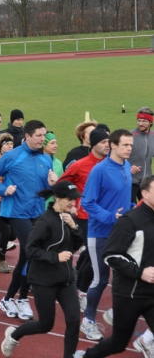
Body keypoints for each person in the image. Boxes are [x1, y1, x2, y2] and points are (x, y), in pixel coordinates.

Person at [73, 175, 154, 358]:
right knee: (118, 344)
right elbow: (110, 255)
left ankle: (144, 342)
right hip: (130, 293)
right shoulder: (130, 221)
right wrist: (140, 273)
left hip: (152, 292)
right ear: (145, 194)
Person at [1, 181, 84, 357]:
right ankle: (14, 335)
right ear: (57, 199)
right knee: (46, 324)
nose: (73, 203)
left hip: (66, 279)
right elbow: (30, 249)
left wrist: (74, 227)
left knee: (74, 319)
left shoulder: (68, 218)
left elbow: (77, 244)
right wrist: (56, 257)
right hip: (44, 280)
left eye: (75, 199)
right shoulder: (44, 221)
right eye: (69, 199)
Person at [0, 120, 58, 321]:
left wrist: (53, 185)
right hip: (17, 211)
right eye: (39, 135)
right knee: (32, 252)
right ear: (27, 136)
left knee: (26, 256)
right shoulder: (12, 156)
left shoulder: (46, 159)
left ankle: (10, 298)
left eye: (44, 135)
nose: (42, 139)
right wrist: (3, 190)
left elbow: (44, 191)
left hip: (37, 211)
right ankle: (23, 298)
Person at [79, 129, 133, 341]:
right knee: (100, 280)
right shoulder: (99, 171)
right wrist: (110, 217)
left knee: (129, 275)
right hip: (100, 234)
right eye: (125, 145)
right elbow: (87, 202)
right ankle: (88, 321)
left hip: (123, 233)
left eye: (131, 145)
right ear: (113, 145)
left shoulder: (126, 166)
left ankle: (113, 313)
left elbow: (122, 198)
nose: (129, 149)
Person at [59, 128, 110, 311]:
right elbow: (62, 183)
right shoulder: (80, 165)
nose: (107, 145)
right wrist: (71, 203)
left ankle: (78, 284)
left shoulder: (110, 163)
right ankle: (80, 291)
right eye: (104, 142)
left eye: (109, 142)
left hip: (104, 217)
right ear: (94, 144)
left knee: (98, 255)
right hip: (83, 217)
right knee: (90, 254)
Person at [0, 133, 17, 273]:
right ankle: (2, 261)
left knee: (13, 234)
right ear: (0, 146)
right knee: (6, 232)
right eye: (7, 144)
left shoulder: (16, 160)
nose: (10, 146)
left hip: (13, 200)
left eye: (11, 144)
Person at [129, 107, 154, 203]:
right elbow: (116, 156)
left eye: (144, 121)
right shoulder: (129, 136)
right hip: (131, 181)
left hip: (146, 181)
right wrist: (128, 167)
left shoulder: (153, 136)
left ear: (150, 122)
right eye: (139, 121)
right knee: (130, 209)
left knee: (148, 209)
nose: (140, 123)